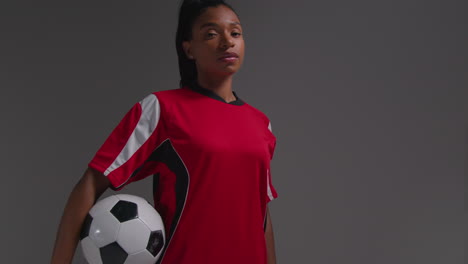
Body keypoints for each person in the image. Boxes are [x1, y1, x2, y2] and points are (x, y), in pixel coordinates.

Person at [51, 0, 279, 263]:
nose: (227, 41)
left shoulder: (261, 123)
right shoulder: (162, 109)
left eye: (235, 33)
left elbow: (261, 213)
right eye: (211, 34)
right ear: (189, 48)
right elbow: (90, 183)